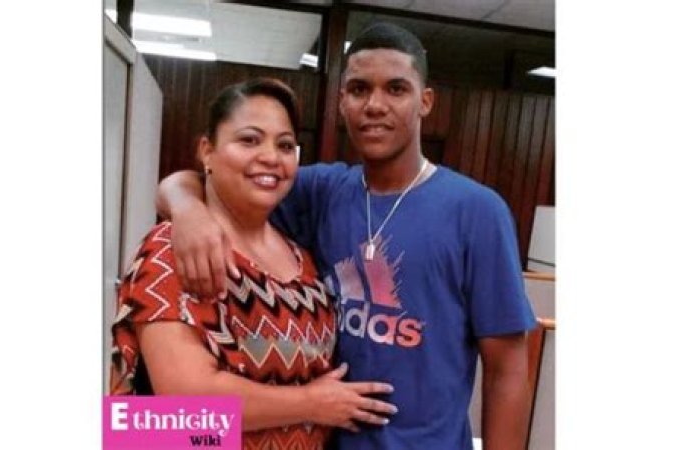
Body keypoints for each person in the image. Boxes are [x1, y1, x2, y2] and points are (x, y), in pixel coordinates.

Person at [157, 23, 536, 450]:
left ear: (425, 101)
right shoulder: (322, 192)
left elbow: (506, 371)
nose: (374, 105)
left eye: (396, 89)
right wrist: (187, 210)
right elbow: (215, 181)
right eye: (358, 90)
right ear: (342, 102)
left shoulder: (476, 212)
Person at [110, 78, 398, 450]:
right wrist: (312, 403)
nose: (270, 157)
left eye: (285, 145)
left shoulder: (302, 255)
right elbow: (186, 404)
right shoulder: (174, 248)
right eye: (249, 140)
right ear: (207, 151)